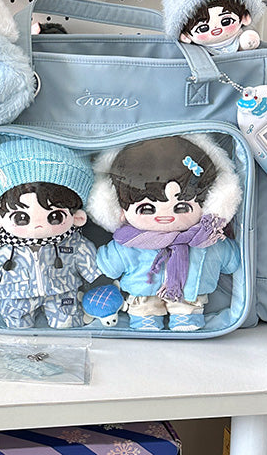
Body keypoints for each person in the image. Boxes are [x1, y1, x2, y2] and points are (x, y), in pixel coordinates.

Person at [88, 136, 242, 332]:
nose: (164, 217)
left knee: (188, 306)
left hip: (189, 295)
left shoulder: (205, 239)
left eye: (181, 207)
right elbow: (110, 265)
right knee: (144, 308)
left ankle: (185, 317)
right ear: (118, 209)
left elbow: (230, 259)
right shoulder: (130, 242)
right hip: (144, 294)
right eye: (147, 209)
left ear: (211, 205)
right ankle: (147, 318)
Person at [0, 137, 100, 329]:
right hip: (15, 295)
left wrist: (98, 281)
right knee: (16, 325)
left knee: (67, 322)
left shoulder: (72, 242)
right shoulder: (2, 248)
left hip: (62, 292)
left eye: (55, 217)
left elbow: (88, 260)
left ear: (77, 217)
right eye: (21, 218)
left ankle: (66, 326)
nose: (38, 227)